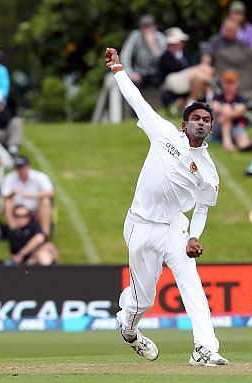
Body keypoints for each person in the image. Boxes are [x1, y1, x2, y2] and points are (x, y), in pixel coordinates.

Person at [105, 47, 228, 366]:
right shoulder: (163, 134)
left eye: (206, 121)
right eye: (196, 119)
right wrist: (118, 69)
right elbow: (137, 102)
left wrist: (194, 236)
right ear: (185, 123)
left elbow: (202, 207)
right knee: (144, 297)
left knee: (192, 284)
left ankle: (205, 349)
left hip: (175, 227)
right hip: (141, 224)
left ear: (211, 129)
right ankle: (128, 325)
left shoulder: (209, 171)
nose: (201, 124)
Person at [1, 155, 54, 237]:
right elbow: (4, 196)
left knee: (45, 201)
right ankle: (15, 233)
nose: (20, 170)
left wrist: (33, 195)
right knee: (7, 203)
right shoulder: (10, 178)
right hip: (17, 209)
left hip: (35, 209)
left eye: (22, 167)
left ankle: (45, 234)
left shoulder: (40, 176)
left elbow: (50, 192)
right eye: (18, 168)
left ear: (28, 167)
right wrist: (12, 193)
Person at [159, 27, 213, 107]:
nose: (174, 46)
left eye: (176, 43)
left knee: (200, 78)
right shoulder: (164, 58)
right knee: (204, 68)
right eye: (172, 44)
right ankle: (211, 97)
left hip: (189, 82)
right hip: (172, 82)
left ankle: (190, 104)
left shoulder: (187, 55)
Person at [120, 14, 167, 87]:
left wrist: (152, 45)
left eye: (149, 26)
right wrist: (129, 72)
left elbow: (163, 61)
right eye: (144, 26)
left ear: (154, 27)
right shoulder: (135, 36)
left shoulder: (161, 38)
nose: (147, 29)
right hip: (139, 73)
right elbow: (125, 55)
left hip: (156, 74)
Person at [211, 69, 252, 151]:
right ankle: (227, 143)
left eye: (231, 82)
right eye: (227, 82)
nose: (229, 86)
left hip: (235, 127)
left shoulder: (240, 98)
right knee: (227, 108)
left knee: (242, 140)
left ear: (236, 83)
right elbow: (215, 107)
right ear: (222, 83)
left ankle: (244, 145)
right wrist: (230, 112)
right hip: (219, 128)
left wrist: (226, 116)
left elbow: (241, 110)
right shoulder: (217, 97)